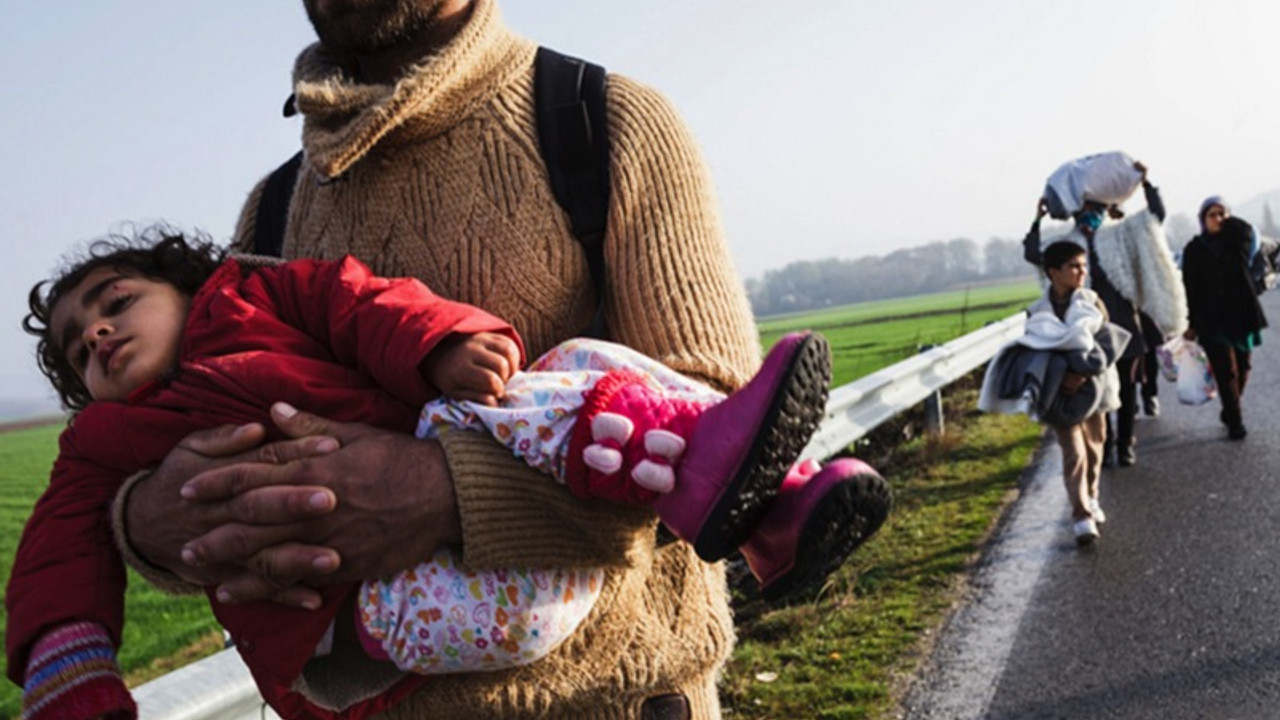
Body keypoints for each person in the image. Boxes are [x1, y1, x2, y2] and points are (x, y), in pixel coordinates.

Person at [75, 2, 892, 716]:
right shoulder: (275, 205)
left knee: (593, 372)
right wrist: (147, 522)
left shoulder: (602, 121)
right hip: (364, 700)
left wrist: (441, 492)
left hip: (609, 703)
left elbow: (717, 417)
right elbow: (188, 425)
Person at [10, 229, 891, 720]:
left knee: (582, 359)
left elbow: (359, 301)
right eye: (75, 348)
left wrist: (438, 350)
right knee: (578, 398)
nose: (96, 334)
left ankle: (775, 516)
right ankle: (719, 489)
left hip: (615, 687)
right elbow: (61, 546)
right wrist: (151, 527)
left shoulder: (254, 291)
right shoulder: (106, 442)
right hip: (384, 620)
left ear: (187, 285)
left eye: (116, 302)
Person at [1024, 160, 1184, 469]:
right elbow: (1035, 255)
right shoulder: (1067, 243)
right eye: (1082, 209)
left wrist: (1148, 184)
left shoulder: (1122, 233)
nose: (1088, 215)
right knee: (1097, 392)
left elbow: (1155, 217)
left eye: (1093, 208)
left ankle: (1125, 445)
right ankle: (1106, 443)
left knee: (1126, 387)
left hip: (1124, 325)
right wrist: (1037, 219)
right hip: (1089, 329)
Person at [980, 241, 1129, 545]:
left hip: (1094, 387)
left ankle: (1092, 494)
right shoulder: (1036, 312)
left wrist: (1080, 374)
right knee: (1073, 452)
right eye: (1074, 266)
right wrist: (1059, 377)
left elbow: (1105, 343)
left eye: (1083, 266)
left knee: (1094, 447)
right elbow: (1036, 351)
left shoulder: (1092, 302)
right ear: (1053, 272)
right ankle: (1081, 515)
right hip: (1058, 394)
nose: (1081, 272)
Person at [1181, 197, 1268, 440]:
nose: (1218, 219)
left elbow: (1245, 230)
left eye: (1222, 214)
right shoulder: (1194, 249)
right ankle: (1235, 421)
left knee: (1243, 366)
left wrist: (1229, 220)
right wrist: (1192, 323)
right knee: (1225, 370)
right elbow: (1191, 287)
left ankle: (1230, 409)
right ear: (1202, 219)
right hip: (1211, 319)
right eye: (1212, 215)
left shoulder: (1237, 242)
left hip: (1242, 314)